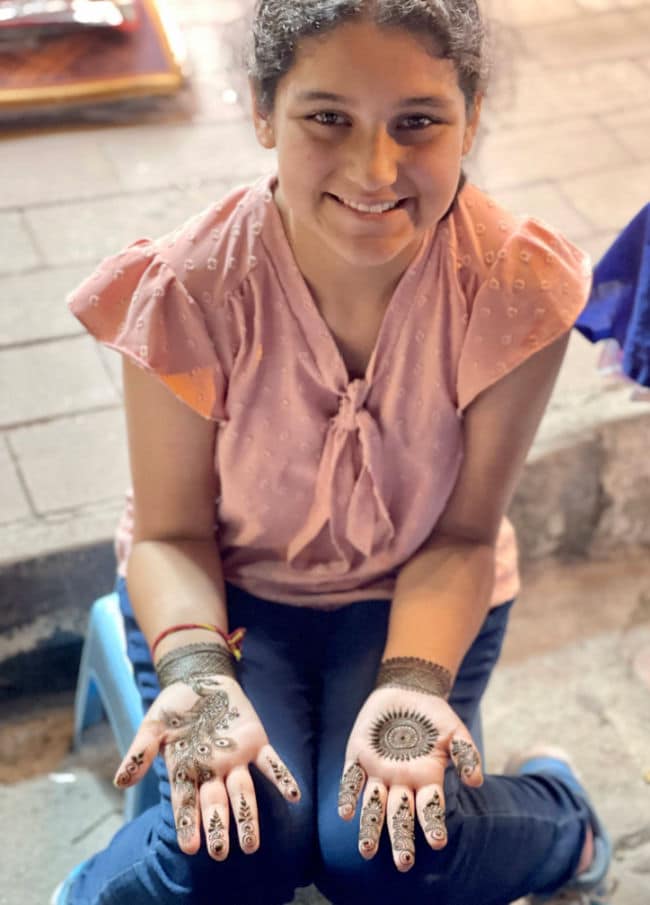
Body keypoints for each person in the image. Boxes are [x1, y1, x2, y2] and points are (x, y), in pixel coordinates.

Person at [54, 2, 611, 903]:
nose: (375, 168)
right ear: (261, 111)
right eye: (327, 118)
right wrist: (198, 675)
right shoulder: (190, 285)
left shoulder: (516, 287)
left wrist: (414, 686)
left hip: (412, 590)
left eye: (419, 122)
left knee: (388, 851)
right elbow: (167, 536)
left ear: (471, 114)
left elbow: (465, 534)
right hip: (227, 593)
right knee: (234, 847)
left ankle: (560, 817)